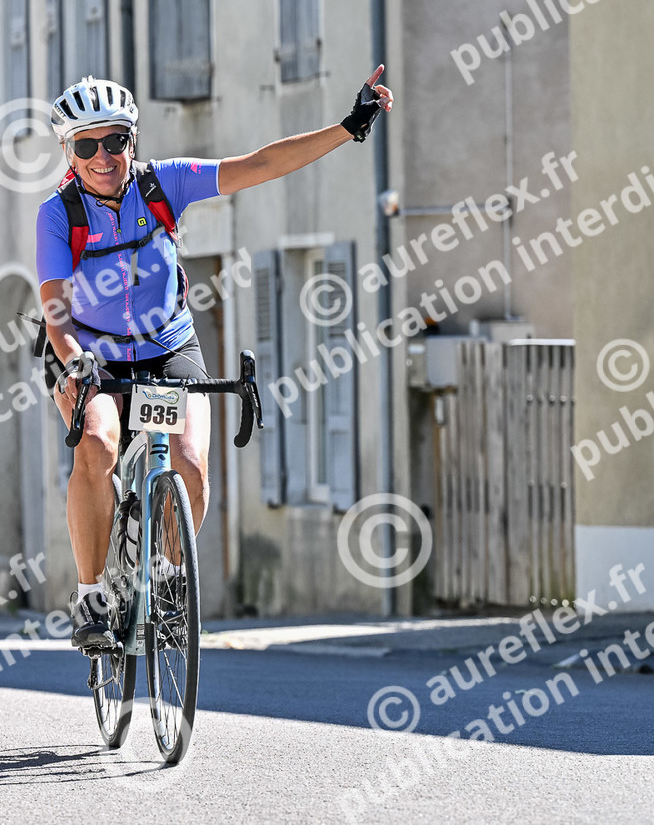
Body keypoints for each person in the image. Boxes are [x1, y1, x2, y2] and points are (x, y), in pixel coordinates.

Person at [38, 70, 394, 650]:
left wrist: (348, 127)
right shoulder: (58, 215)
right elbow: (56, 314)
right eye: (86, 145)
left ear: (133, 140)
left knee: (190, 466)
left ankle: (168, 576)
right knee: (97, 443)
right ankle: (91, 595)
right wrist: (76, 362)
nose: (103, 156)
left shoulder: (164, 184)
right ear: (68, 152)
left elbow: (260, 165)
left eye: (116, 140)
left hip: (168, 346)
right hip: (90, 353)